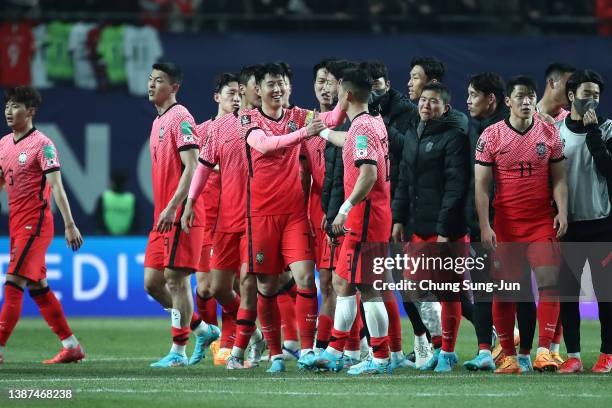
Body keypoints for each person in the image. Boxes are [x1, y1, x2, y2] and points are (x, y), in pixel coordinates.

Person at [232, 62, 343, 373]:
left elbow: (331, 119)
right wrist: (304, 134)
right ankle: (276, 354)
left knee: (306, 278)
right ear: (258, 90)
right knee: (266, 287)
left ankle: (307, 350)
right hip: (262, 214)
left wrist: (347, 97)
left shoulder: (301, 116)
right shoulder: (247, 119)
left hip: (295, 213)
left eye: (281, 83)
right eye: (270, 84)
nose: (276, 89)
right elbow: (265, 146)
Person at [475, 75, 568, 374]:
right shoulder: (491, 136)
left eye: (530, 96)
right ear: (508, 101)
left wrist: (562, 211)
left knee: (549, 283)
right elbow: (481, 185)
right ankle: (511, 358)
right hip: (506, 225)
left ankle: (544, 353)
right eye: (520, 97)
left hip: (541, 221)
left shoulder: (549, 133)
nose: (526, 101)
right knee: (505, 291)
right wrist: (485, 225)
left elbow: (560, 177)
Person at [307, 67, 394, 375]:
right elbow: (351, 141)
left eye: (340, 90)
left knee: (368, 287)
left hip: (365, 216)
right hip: (369, 215)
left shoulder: (363, 128)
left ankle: (381, 357)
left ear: (349, 95)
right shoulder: (369, 122)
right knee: (344, 282)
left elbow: (368, 174)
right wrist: (324, 133)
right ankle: (334, 350)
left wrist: (344, 208)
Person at [0, 86, 84, 364]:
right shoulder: (3, 144)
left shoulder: (43, 144)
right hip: (16, 224)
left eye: (16, 106)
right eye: (7, 106)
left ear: (31, 111)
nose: (9, 112)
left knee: (13, 283)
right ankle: (71, 345)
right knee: (38, 288)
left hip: (35, 225)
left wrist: (69, 225)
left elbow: (57, 187)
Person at [391, 82, 470, 372]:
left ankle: (446, 353)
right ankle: (437, 343)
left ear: (445, 108)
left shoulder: (455, 137)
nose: (426, 105)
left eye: (433, 101)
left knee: (449, 290)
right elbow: (403, 181)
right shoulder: (413, 133)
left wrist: (444, 229)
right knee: (413, 286)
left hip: (447, 230)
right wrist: (399, 217)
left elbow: (455, 186)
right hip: (419, 227)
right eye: (423, 100)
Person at [143, 62, 217, 368]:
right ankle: (202, 328)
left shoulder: (181, 117)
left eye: (158, 80)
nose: (151, 85)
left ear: (173, 87)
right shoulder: (157, 121)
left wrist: (175, 206)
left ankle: (178, 351)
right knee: (152, 283)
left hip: (181, 214)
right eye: (150, 79)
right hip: (162, 216)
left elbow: (193, 166)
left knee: (175, 280)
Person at [556, 69, 612, 374]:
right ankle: (573, 356)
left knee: (606, 294)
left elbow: (609, 170)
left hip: (602, 224)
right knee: (568, 293)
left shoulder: (608, 129)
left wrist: (593, 136)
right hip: (569, 226)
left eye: (597, 94)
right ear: (571, 96)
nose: (592, 99)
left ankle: (607, 354)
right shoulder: (556, 131)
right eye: (586, 93)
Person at [187, 73, 241, 366]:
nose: (235, 98)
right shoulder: (200, 132)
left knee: (228, 285)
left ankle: (232, 343)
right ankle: (214, 338)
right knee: (206, 288)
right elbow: (189, 171)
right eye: (229, 93)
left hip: (233, 217)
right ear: (216, 97)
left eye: (238, 93)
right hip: (204, 221)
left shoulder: (244, 130)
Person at [462, 72, 507, 371]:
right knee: (481, 286)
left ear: (491, 98)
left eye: (473, 94)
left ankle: (520, 349)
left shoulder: (511, 128)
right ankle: (484, 350)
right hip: (480, 222)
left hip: (509, 221)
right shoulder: (471, 129)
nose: (467, 100)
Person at [94, 169, 137, 235]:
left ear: (113, 183)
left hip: (114, 238)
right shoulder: (131, 199)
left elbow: (98, 220)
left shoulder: (103, 197)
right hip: (116, 238)